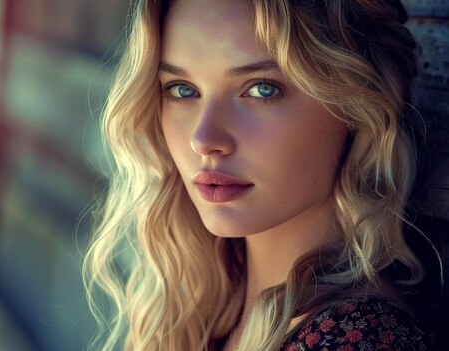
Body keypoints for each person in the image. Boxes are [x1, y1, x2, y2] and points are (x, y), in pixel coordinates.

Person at [83, 0, 441, 349]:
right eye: (182, 89)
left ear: (355, 108)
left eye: (261, 88)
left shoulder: (362, 340)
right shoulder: (203, 311)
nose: (203, 140)